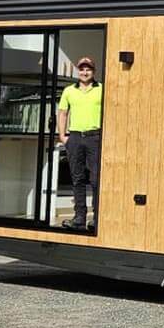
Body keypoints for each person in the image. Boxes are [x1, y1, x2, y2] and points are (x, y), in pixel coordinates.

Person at [57, 56, 103, 231]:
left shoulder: (101, 89)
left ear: (93, 71)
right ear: (78, 71)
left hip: (95, 137)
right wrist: (63, 135)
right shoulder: (69, 91)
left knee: (95, 179)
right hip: (75, 137)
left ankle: (97, 218)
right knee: (77, 179)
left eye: (88, 69)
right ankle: (79, 219)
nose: (85, 72)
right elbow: (62, 112)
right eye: (82, 69)